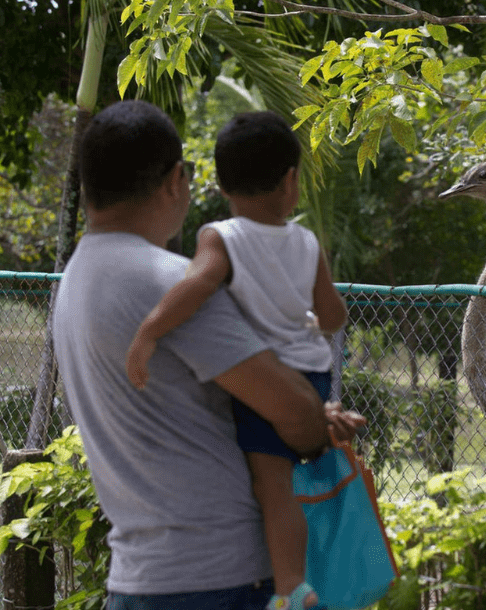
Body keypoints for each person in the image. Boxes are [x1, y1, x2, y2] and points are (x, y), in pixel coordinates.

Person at [53, 99, 362, 610]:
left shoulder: (75, 278)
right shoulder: (165, 281)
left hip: (138, 580)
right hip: (217, 579)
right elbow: (294, 415)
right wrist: (316, 414)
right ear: (177, 178)